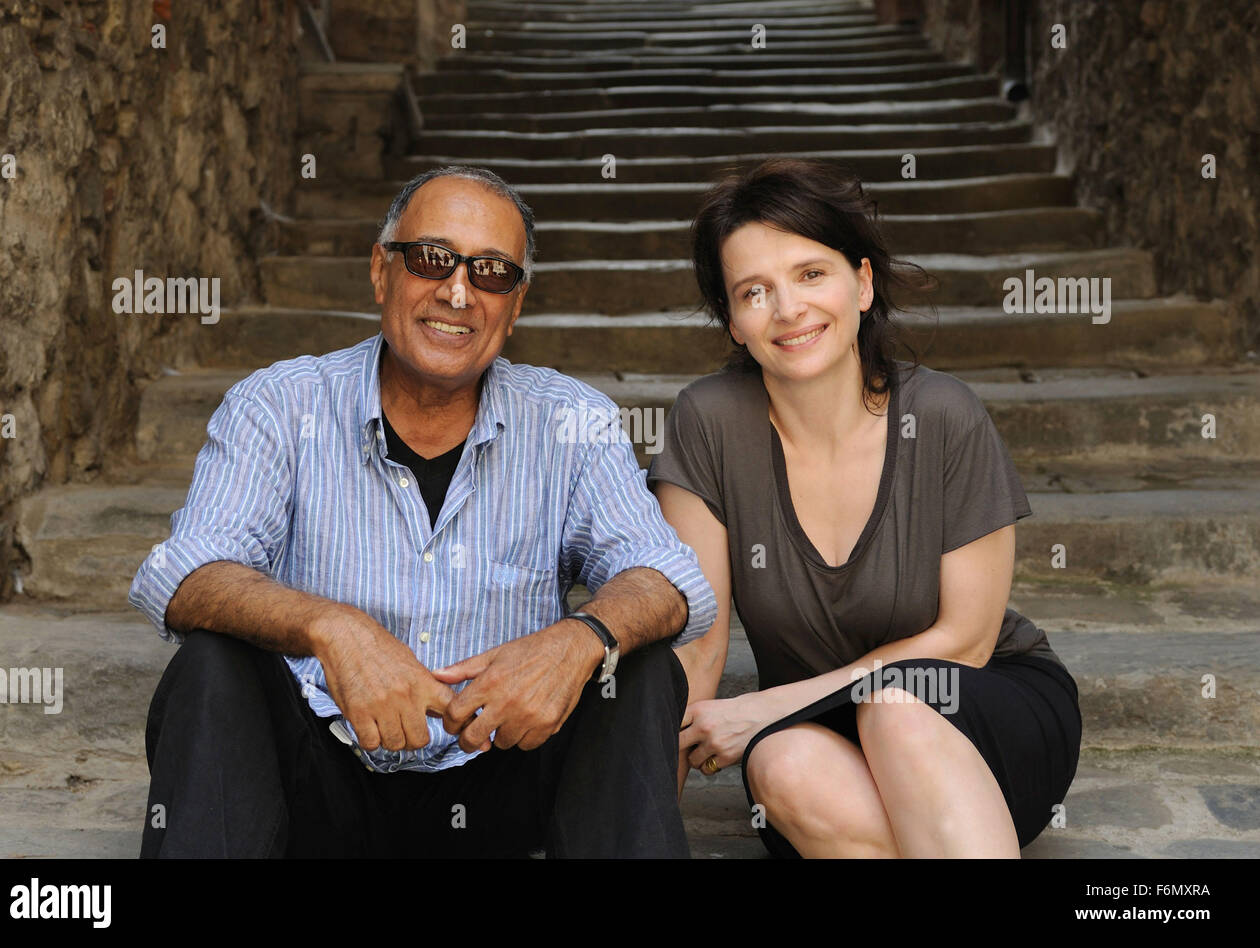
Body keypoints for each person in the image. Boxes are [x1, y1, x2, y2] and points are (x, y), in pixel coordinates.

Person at [128, 165, 717, 858]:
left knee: (636, 670)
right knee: (212, 664)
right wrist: (331, 628)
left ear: (516, 303)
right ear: (382, 271)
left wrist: (580, 638)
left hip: (499, 777)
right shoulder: (281, 405)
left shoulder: (571, 421)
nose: (459, 291)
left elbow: (666, 580)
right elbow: (187, 573)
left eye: (493, 271)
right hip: (318, 780)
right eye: (432, 259)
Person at [647, 158, 1082, 858]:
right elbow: (697, 647)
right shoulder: (709, 423)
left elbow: (965, 642)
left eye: (811, 274)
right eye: (754, 291)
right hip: (822, 739)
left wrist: (767, 705)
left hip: (980, 714)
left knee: (898, 704)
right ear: (733, 321)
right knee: (776, 764)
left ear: (863, 283)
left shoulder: (944, 416)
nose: (788, 310)